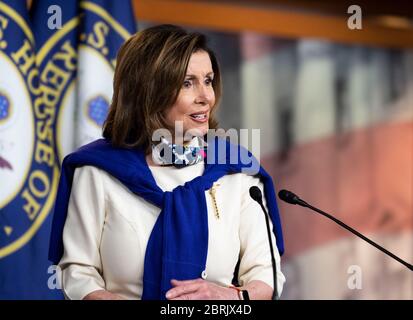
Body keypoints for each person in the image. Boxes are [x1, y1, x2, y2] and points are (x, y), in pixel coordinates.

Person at [49, 24, 286, 300]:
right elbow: (78, 271)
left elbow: (265, 274)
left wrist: (228, 299)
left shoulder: (238, 173)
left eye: (208, 80)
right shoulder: (97, 171)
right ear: (149, 91)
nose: (205, 97)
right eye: (188, 83)